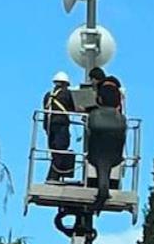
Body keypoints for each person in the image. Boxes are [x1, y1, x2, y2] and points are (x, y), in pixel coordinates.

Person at [85, 65, 126, 206]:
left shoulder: (104, 89)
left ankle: (102, 190)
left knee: (100, 162)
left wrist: (86, 109)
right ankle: (104, 189)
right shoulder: (115, 87)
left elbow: (100, 103)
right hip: (114, 139)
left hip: (99, 144)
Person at [43, 71, 76, 182]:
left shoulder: (48, 95)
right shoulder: (66, 94)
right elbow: (73, 107)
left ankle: (54, 176)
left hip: (49, 126)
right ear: (65, 83)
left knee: (55, 151)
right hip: (61, 125)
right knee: (61, 150)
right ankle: (53, 176)